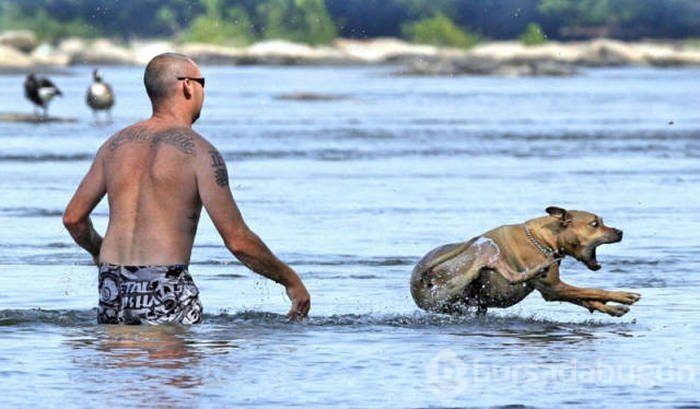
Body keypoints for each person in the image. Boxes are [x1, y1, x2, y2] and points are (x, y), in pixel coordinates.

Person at [63, 52, 310, 324]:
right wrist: (291, 281)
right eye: (203, 82)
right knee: (188, 365)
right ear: (187, 86)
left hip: (112, 286)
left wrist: (98, 251)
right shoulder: (201, 153)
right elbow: (238, 241)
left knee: (121, 362)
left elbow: (73, 218)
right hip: (165, 284)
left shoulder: (113, 146)